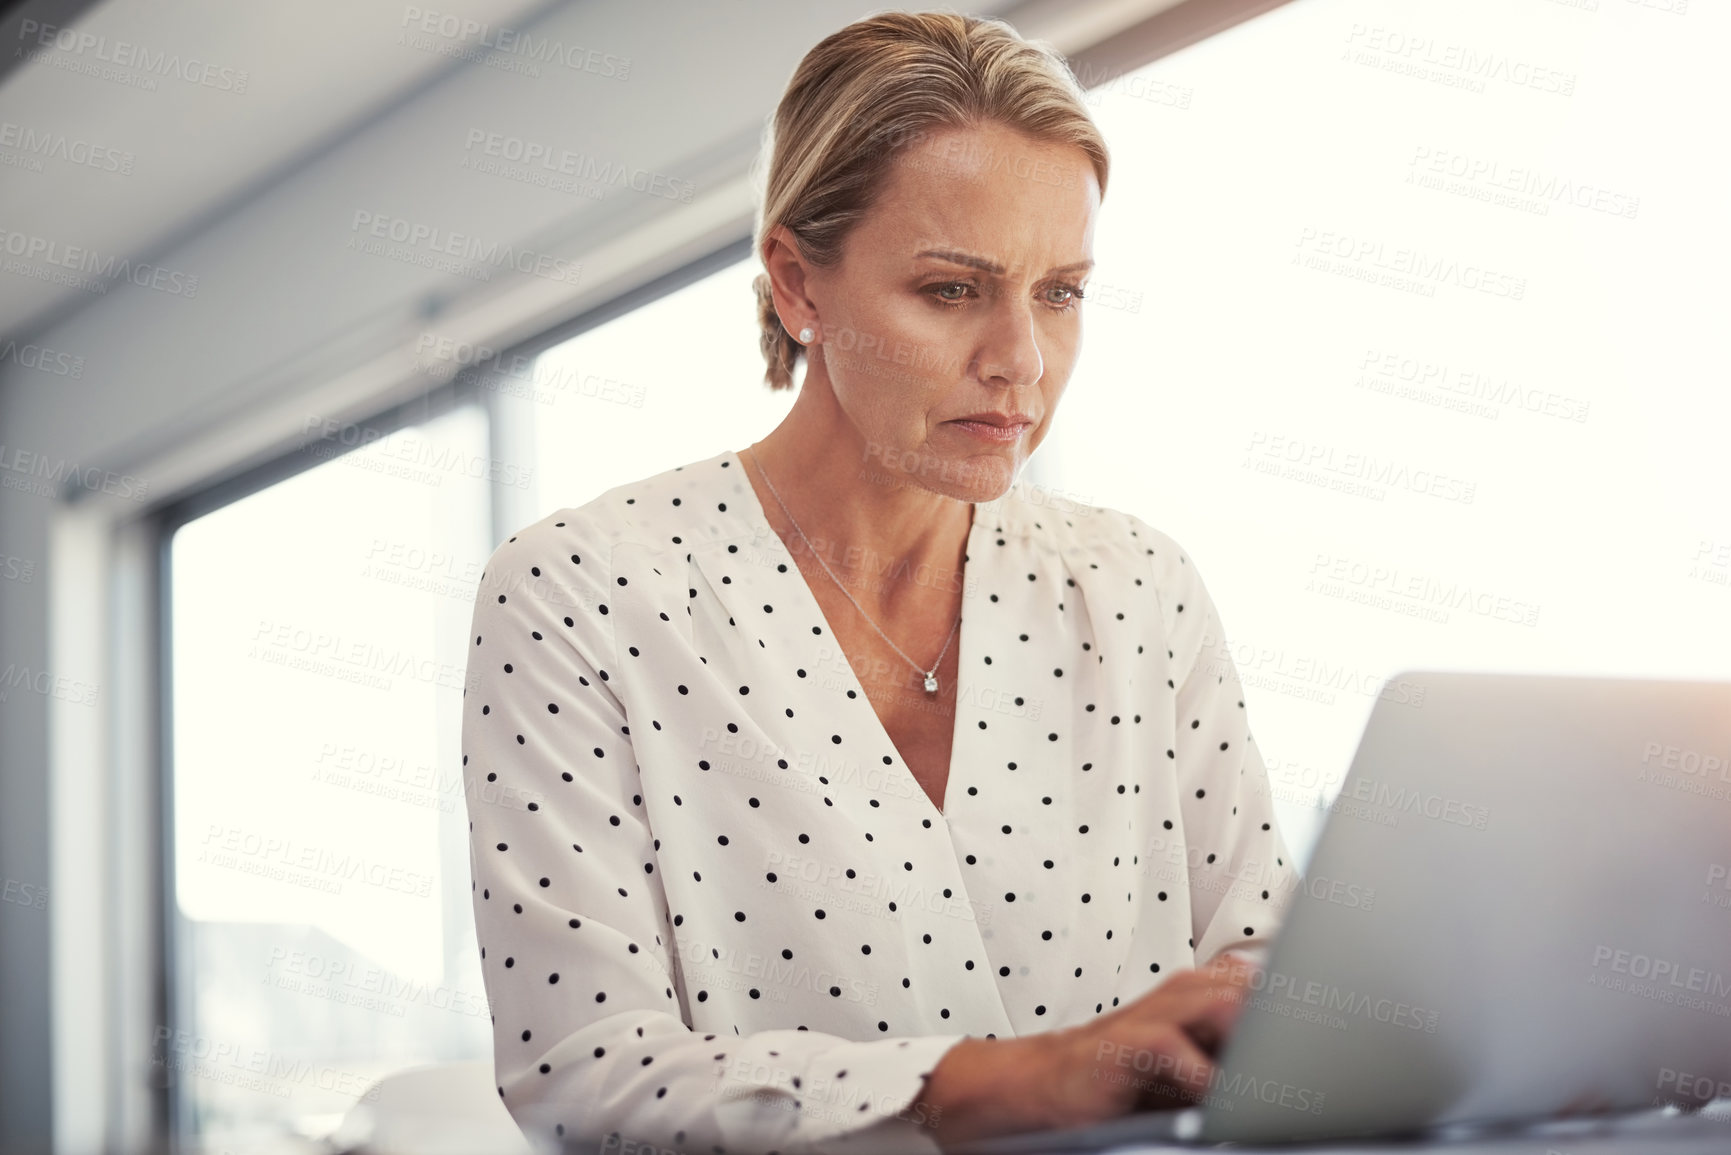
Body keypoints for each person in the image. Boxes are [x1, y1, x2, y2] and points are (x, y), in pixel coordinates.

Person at [460, 10, 1298, 1154]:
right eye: (954, 290)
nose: (1023, 361)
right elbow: (584, 1075)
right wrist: (996, 1084)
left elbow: (1264, 968)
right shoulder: (583, 594)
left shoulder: (1139, 587)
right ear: (799, 285)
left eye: (1060, 292)